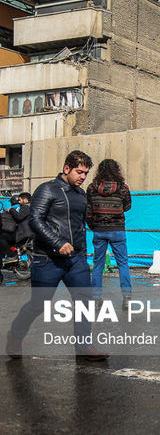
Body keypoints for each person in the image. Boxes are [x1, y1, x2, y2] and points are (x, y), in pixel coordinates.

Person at [6, 150, 108, 361]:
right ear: (66, 168)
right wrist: (58, 243)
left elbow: (80, 223)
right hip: (47, 259)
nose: (82, 177)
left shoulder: (81, 195)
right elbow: (35, 220)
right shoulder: (47, 190)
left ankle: (84, 346)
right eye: (79, 172)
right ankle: (15, 336)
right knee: (38, 304)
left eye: (86, 173)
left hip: (76, 259)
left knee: (84, 301)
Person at [86, 159, 132, 308]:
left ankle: (96, 298)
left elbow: (88, 211)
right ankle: (126, 297)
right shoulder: (122, 188)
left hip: (99, 230)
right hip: (117, 229)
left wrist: (94, 226)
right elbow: (127, 206)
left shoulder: (92, 188)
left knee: (98, 264)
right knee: (123, 263)